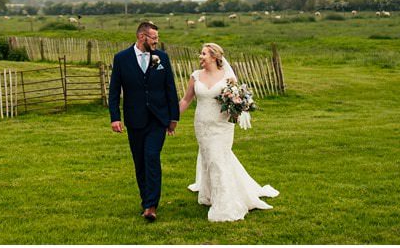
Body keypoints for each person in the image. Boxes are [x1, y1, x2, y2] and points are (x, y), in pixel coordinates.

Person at [178, 42, 279, 222]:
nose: (200, 57)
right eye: (200, 54)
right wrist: (172, 118)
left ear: (214, 57)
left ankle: (225, 203)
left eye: (203, 54)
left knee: (218, 159)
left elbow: (237, 100)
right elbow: (186, 100)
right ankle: (209, 194)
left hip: (221, 126)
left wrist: (238, 105)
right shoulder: (196, 76)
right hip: (202, 124)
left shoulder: (228, 77)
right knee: (209, 158)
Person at [108, 21, 180, 222]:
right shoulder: (122, 58)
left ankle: (151, 206)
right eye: (153, 38)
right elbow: (114, 91)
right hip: (135, 119)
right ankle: (145, 200)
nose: (156, 42)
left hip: (158, 119)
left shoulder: (162, 58)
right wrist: (115, 117)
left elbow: (170, 89)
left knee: (151, 157)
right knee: (139, 162)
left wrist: (173, 117)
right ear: (141, 37)